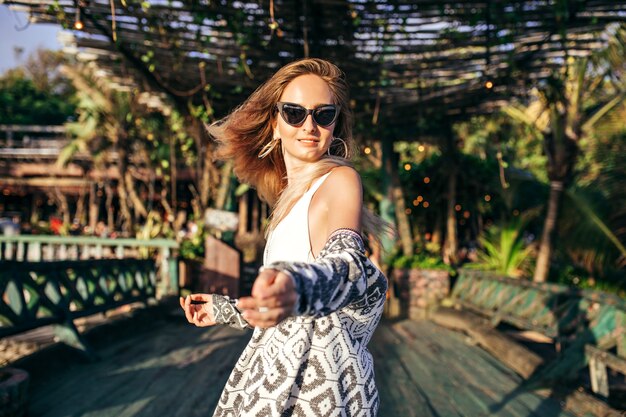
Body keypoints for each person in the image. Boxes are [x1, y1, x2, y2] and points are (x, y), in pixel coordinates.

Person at [180, 58, 388, 416]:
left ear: (335, 124)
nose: (309, 125)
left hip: (316, 385)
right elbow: (288, 313)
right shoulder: (286, 203)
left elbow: (348, 263)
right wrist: (225, 310)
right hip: (272, 375)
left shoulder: (338, 180)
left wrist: (297, 287)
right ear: (275, 124)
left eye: (323, 115)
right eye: (294, 113)